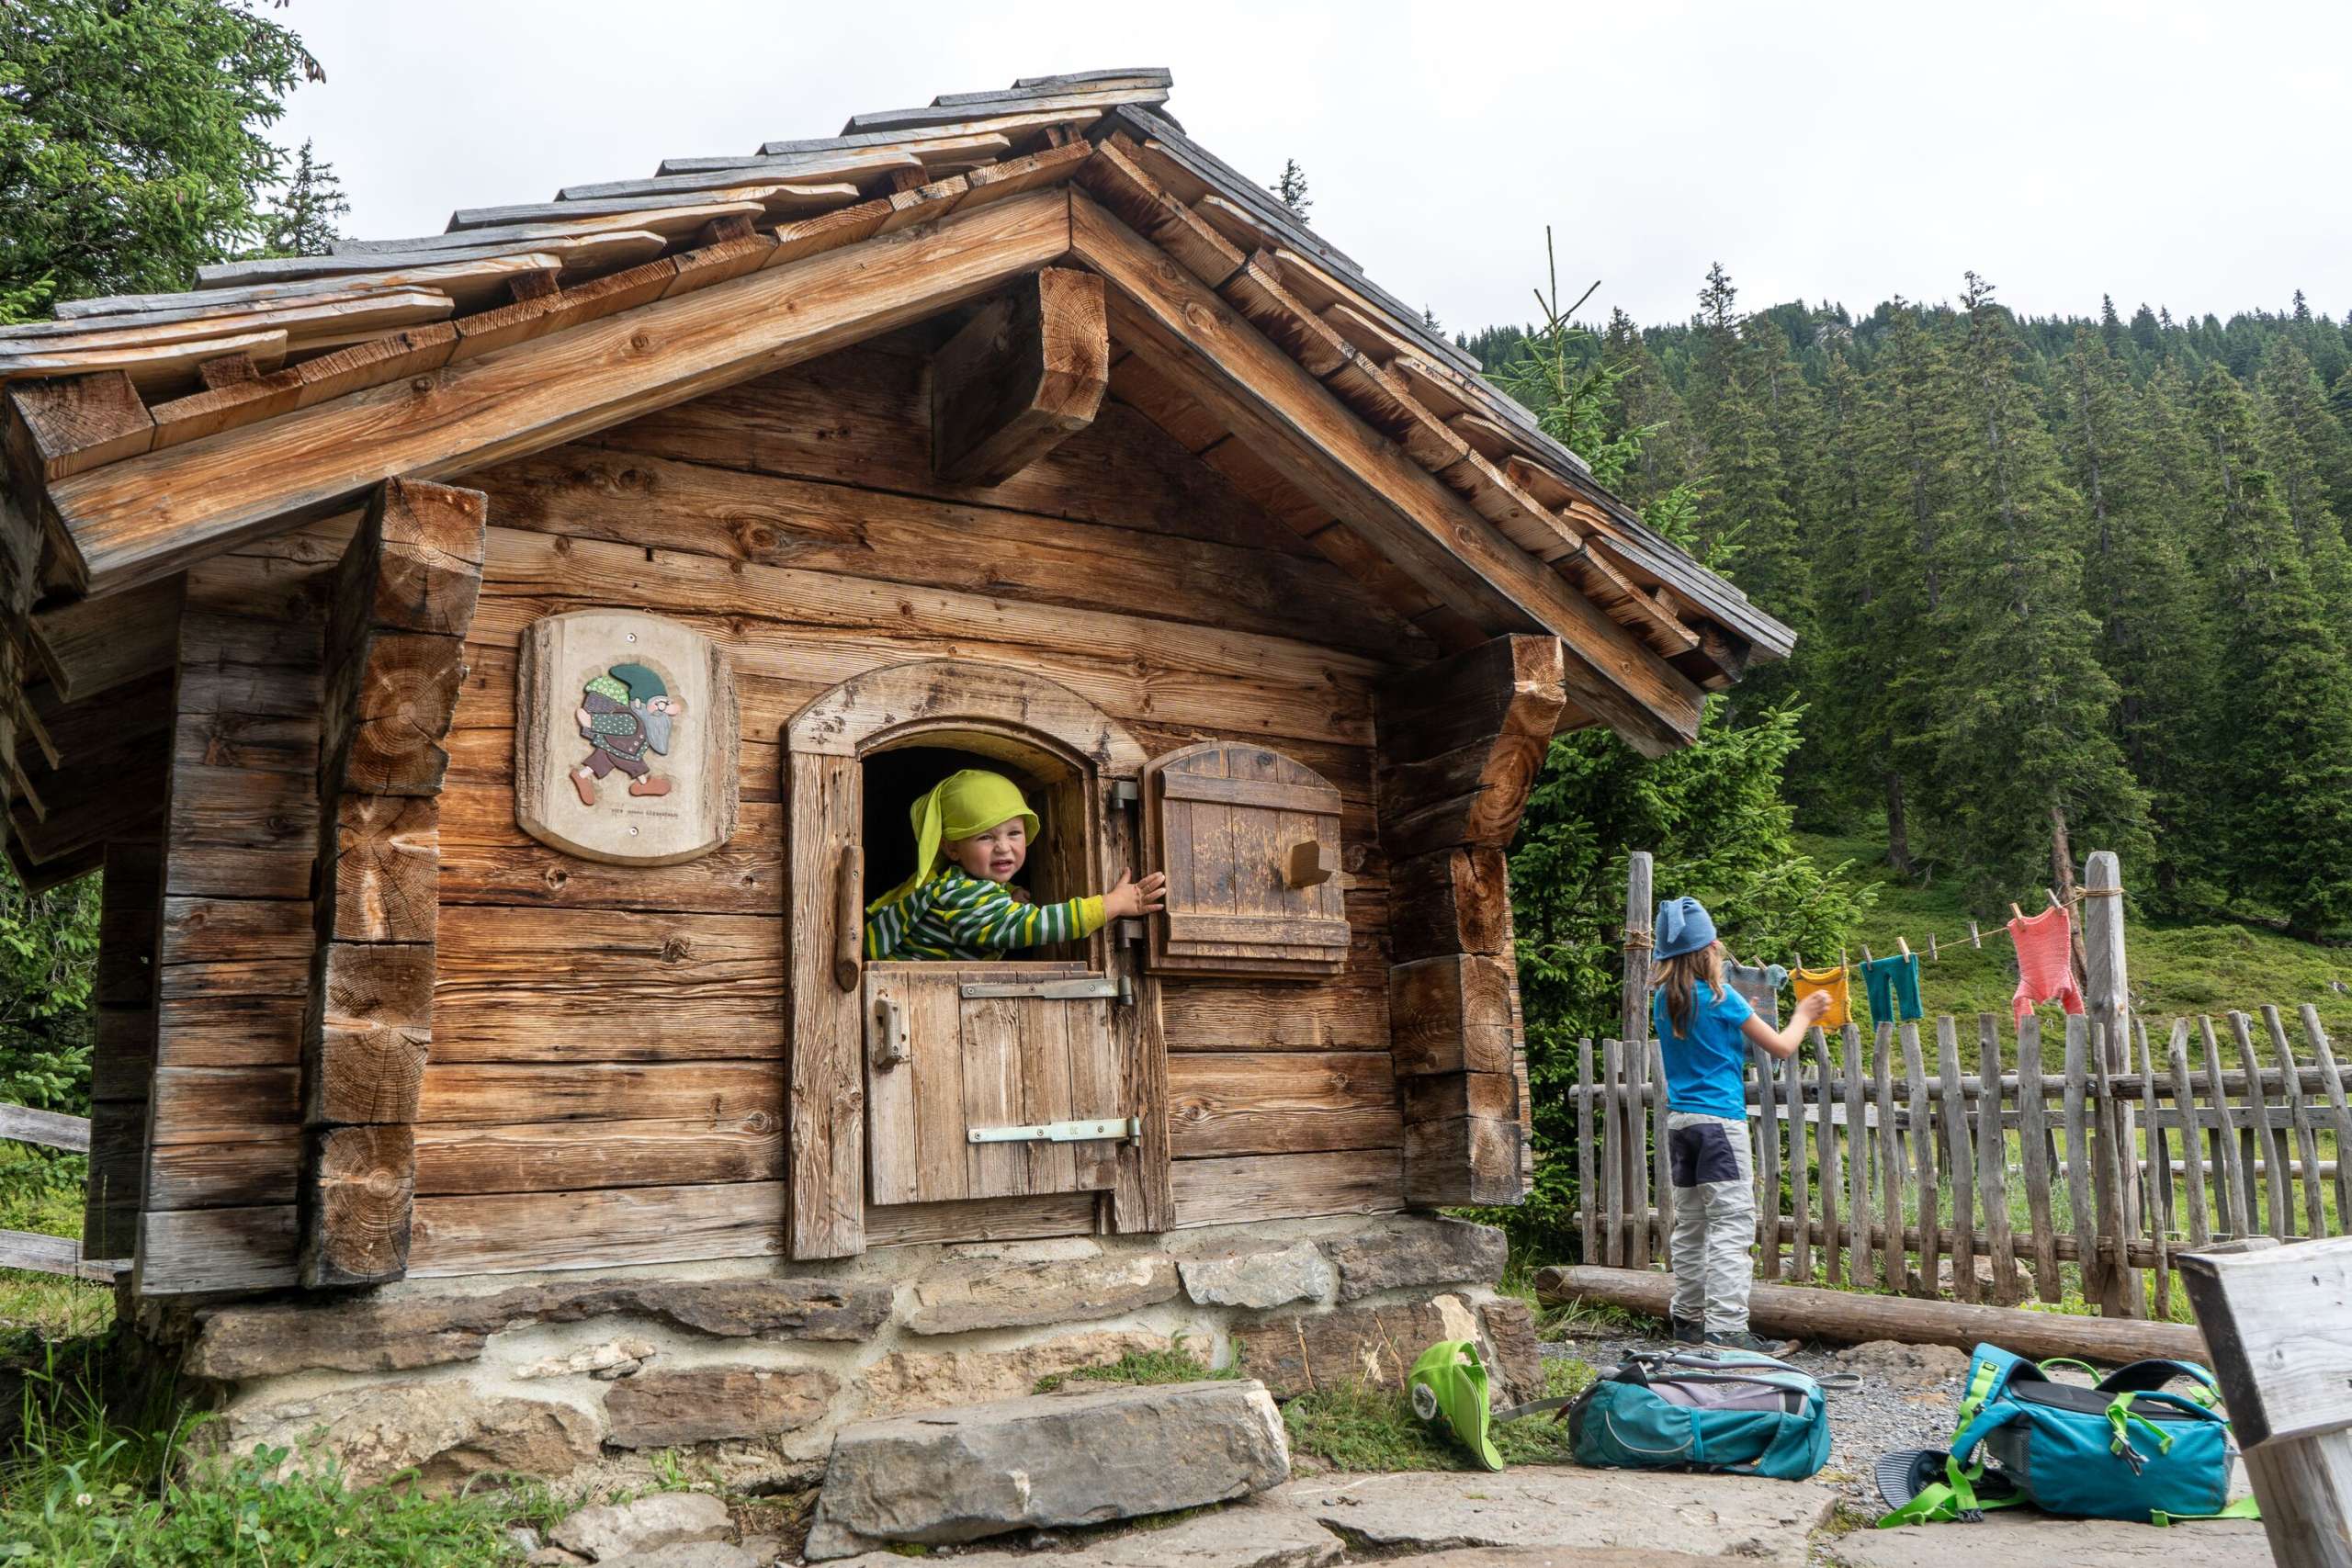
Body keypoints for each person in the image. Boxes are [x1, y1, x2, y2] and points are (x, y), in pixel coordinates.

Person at [1649, 895, 1828, 1356]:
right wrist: (1803, 1015)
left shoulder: (1662, 1002)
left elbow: (1710, 1036)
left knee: (1690, 1225)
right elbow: (1783, 1047)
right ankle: (1728, 1330)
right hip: (1720, 1126)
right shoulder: (1722, 998)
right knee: (1731, 1227)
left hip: (1681, 1125)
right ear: (1709, 951)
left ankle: (1687, 1321)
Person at [864, 768, 1166, 960]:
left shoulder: (960, 886)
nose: (1003, 847)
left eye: (1014, 833)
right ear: (952, 848)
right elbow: (1032, 926)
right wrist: (1112, 904)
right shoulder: (963, 897)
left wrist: (1007, 895)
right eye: (985, 837)